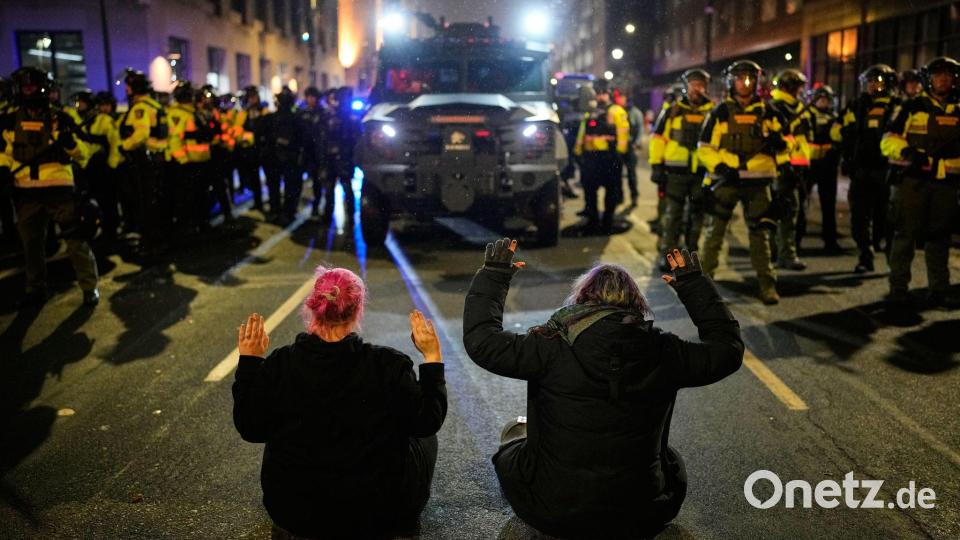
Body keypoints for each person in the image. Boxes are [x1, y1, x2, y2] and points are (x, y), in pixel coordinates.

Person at [462, 239, 743, 538]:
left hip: (551, 511)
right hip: (643, 513)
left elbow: (482, 340)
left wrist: (494, 273)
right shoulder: (664, 350)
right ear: (636, 304)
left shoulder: (550, 346)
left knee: (511, 440)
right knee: (670, 460)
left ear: (582, 299)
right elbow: (727, 350)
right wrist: (694, 284)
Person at [232, 266, 447, 538]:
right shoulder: (387, 365)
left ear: (312, 308)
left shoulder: (280, 365)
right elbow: (428, 421)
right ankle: (404, 524)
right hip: (379, 514)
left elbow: (251, 428)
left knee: (276, 431)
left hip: (296, 513)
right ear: (357, 311)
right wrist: (432, 358)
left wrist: (250, 363)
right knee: (421, 428)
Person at [0, 67, 99, 306]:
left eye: (33, 86)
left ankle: (89, 288)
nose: (29, 91)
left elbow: (84, 155)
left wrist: (71, 144)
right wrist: (3, 168)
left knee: (76, 242)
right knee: (32, 245)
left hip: (60, 192)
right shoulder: (11, 120)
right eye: (25, 87)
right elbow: (5, 152)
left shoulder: (62, 117)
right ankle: (35, 288)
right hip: (26, 193)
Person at [881, 56, 960, 307]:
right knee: (905, 235)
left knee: (940, 237)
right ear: (929, 79)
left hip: (947, 184)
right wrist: (906, 152)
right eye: (938, 75)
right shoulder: (912, 106)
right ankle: (898, 289)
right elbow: (888, 139)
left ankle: (939, 288)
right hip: (914, 181)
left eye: (948, 75)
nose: (943, 79)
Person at [649, 69, 714, 270]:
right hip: (675, 173)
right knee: (673, 216)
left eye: (701, 85)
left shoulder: (712, 113)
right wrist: (657, 166)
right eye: (693, 84)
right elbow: (658, 140)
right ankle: (667, 256)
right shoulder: (671, 110)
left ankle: (692, 255)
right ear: (686, 86)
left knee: (697, 216)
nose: (697, 88)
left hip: (700, 173)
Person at [837, 64, 899, 273]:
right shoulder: (857, 105)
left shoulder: (896, 105)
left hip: (886, 170)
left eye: (877, 81)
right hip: (861, 169)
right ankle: (865, 254)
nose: (872, 86)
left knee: (887, 217)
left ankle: (893, 260)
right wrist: (845, 135)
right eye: (869, 81)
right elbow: (837, 131)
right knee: (859, 216)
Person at [117, 68, 169, 259]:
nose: (126, 89)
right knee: (154, 203)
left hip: (143, 161)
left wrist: (125, 145)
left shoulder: (140, 107)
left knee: (145, 204)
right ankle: (158, 241)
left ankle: (149, 244)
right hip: (156, 159)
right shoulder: (153, 104)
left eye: (128, 86)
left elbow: (140, 134)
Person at [767, 69, 812, 270]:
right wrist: (785, 164)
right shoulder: (777, 107)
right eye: (799, 87)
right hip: (783, 168)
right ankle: (785, 254)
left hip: (797, 167)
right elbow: (774, 140)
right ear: (790, 87)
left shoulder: (798, 107)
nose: (801, 91)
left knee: (789, 211)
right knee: (786, 211)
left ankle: (777, 252)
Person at [573, 79, 630, 233]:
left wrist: (619, 154)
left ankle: (607, 222)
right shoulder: (589, 112)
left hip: (609, 158)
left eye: (602, 93)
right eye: (597, 93)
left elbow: (623, 134)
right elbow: (582, 134)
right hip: (591, 158)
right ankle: (592, 221)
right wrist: (578, 151)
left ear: (608, 94)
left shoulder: (617, 111)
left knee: (611, 192)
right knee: (590, 191)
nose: (599, 97)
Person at [802, 85, 842, 253]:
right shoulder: (806, 116)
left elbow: (839, 140)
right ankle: (796, 239)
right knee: (802, 204)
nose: (823, 102)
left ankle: (830, 241)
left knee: (828, 205)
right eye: (820, 99)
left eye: (826, 99)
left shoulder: (835, 118)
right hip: (809, 166)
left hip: (827, 165)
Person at [261, 87, 303, 225]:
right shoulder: (295, 119)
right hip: (284, 158)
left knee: (276, 187)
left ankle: (278, 211)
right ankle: (285, 212)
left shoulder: (271, 118)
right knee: (287, 187)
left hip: (279, 158)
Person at [236, 86, 270, 213]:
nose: (252, 100)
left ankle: (273, 204)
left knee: (269, 178)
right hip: (251, 151)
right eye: (250, 97)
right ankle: (258, 203)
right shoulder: (244, 113)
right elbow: (239, 129)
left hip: (263, 149)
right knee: (254, 179)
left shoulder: (264, 111)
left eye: (254, 97)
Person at [296, 86, 328, 217]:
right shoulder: (302, 112)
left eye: (313, 97)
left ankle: (316, 205)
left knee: (317, 181)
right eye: (308, 97)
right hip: (304, 151)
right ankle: (295, 204)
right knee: (297, 180)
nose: (310, 99)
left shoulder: (322, 113)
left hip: (316, 152)